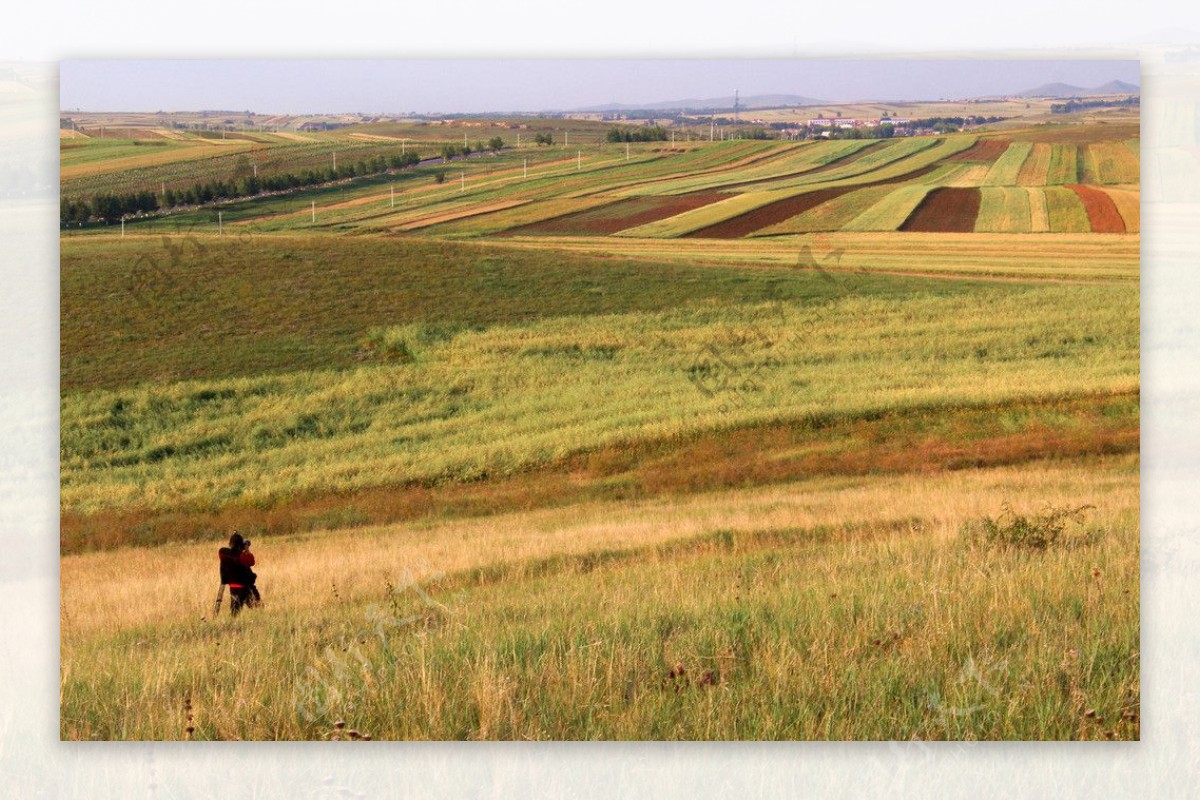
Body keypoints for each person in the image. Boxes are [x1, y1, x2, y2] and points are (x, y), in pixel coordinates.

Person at [218, 532, 258, 615]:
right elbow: (251, 562)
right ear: (241, 545)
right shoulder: (241, 556)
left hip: (233, 586)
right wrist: (247, 549)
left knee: (234, 612)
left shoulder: (223, 552)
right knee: (257, 608)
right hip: (245, 587)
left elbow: (231, 552)